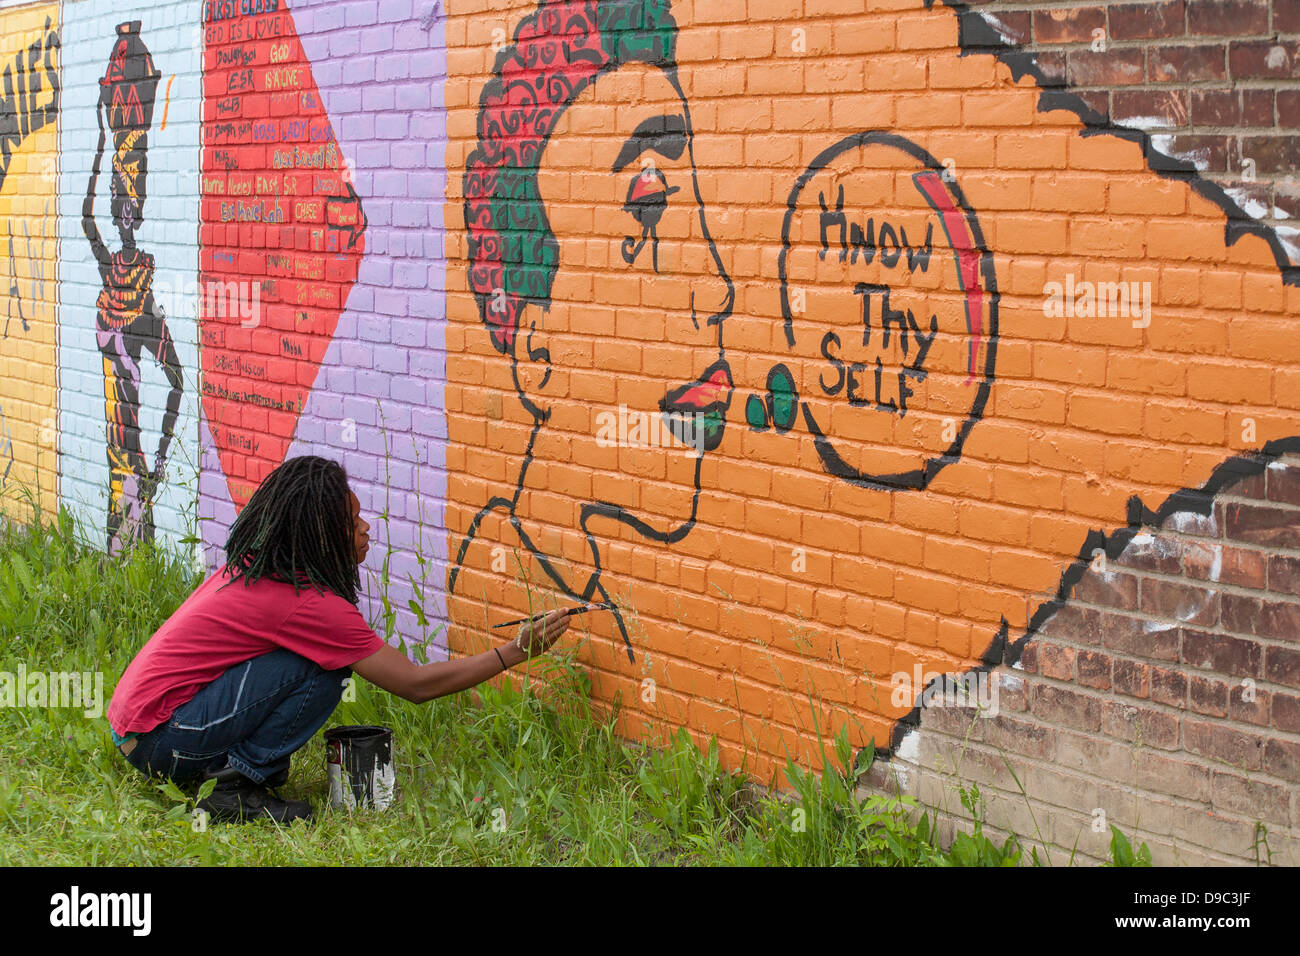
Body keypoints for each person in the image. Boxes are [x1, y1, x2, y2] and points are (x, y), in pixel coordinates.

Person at [450, 0, 733, 660]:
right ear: (537, 352)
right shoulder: (496, 600)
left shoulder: (593, 603)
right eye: (652, 211)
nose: (718, 291)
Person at [106, 455, 572, 824]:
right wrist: (516, 651)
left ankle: (228, 771)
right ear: (320, 535)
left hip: (136, 728)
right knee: (325, 670)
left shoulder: (262, 563)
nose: (366, 529)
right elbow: (415, 685)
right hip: (159, 740)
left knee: (309, 660)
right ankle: (235, 787)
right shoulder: (308, 604)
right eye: (351, 523)